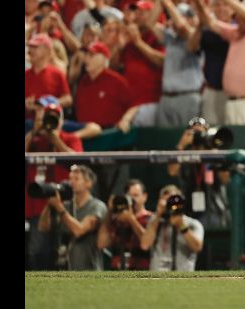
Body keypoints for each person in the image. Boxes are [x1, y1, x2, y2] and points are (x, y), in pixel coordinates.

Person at [25, 99, 84, 270]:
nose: (49, 123)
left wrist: (55, 139)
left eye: (54, 118)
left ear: (61, 121)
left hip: (64, 201)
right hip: (37, 203)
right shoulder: (34, 140)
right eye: (46, 118)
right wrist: (34, 132)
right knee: (37, 251)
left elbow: (76, 161)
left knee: (62, 251)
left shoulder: (69, 138)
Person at [38, 165, 107, 270]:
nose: (72, 182)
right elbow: (43, 227)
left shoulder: (97, 206)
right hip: (66, 268)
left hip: (89, 268)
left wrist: (59, 207)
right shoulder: (66, 206)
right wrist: (49, 205)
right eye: (70, 178)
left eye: (76, 179)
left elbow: (79, 231)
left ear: (89, 183)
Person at [140, 187, 205, 272]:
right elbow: (145, 245)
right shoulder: (155, 222)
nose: (172, 205)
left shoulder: (192, 224)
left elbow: (197, 247)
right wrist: (158, 216)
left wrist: (181, 225)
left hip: (183, 278)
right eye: (168, 201)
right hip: (156, 278)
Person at [97, 179, 154, 270]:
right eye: (129, 196)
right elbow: (101, 243)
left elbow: (147, 243)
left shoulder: (150, 218)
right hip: (118, 271)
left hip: (141, 271)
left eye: (136, 195)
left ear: (144, 196)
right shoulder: (118, 220)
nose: (132, 199)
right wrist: (109, 211)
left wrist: (131, 219)